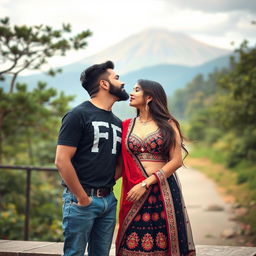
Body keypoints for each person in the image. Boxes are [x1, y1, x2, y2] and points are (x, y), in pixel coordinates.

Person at [55, 60, 129, 256]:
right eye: (116, 78)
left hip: (108, 200)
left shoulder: (117, 122)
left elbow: (119, 162)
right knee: (74, 253)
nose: (122, 83)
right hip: (81, 201)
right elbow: (62, 160)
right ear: (104, 84)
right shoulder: (78, 115)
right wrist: (82, 197)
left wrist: (108, 187)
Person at [116, 79, 196, 256]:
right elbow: (122, 163)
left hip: (162, 190)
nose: (132, 92)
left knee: (163, 242)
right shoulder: (126, 125)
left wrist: (146, 184)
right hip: (133, 190)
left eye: (137, 90)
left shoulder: (168, 124)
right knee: (131, 240)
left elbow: (176, 161)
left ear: (149, 96)